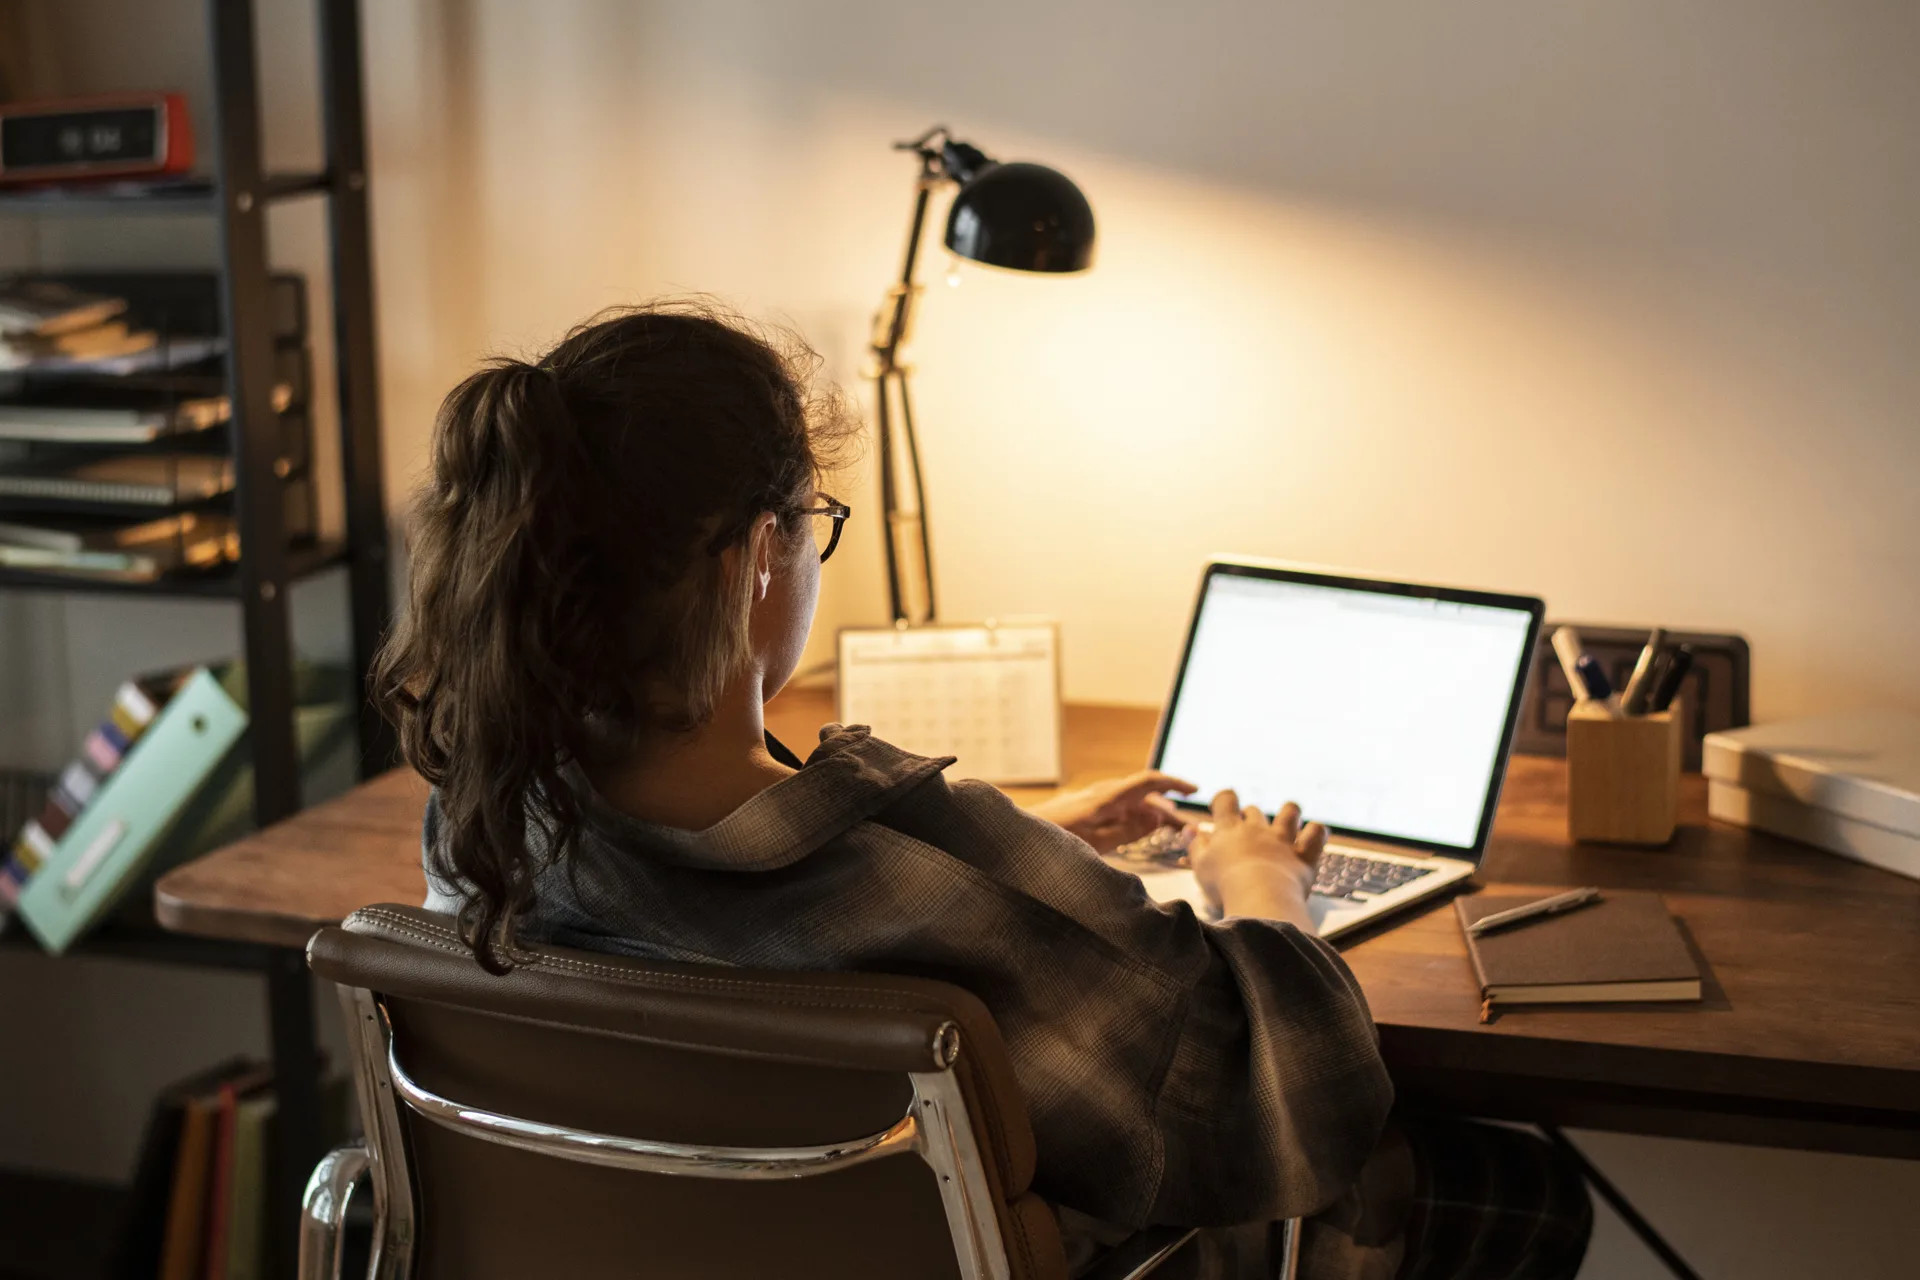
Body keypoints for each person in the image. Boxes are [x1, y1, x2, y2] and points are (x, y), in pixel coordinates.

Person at [373, 303, 1591, 1279]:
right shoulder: (926, 876)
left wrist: (1024, 846)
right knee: (1516, 1194)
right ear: (756, 559)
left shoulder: (484, 824)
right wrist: (1261, 882)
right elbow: (1285, 1090)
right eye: (813, 522)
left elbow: (743, 906)